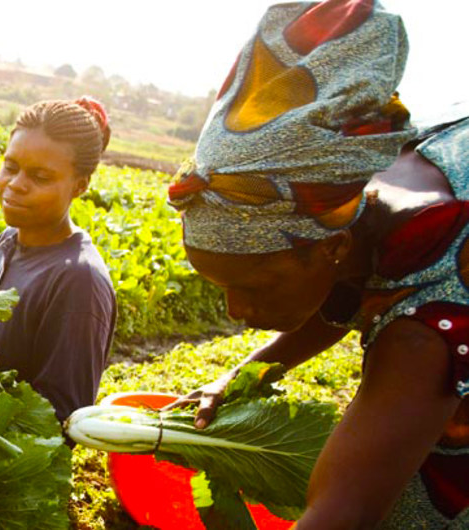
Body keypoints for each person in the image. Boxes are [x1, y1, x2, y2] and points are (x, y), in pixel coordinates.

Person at [166, 0, 469, 526]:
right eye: (224, 289)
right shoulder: (347, 205)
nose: (237, 310)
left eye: (256, 287)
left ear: (331, 250)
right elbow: (347, 290)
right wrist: (250, 370)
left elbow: (343, 510)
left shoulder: (425, 324)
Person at [0, 98, 117, 421]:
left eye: (40, 177)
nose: (15, 185)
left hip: (3, 468)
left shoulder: (79, 280)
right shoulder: (7, 242)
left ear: (80, 186)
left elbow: (59, 419)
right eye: (10, 167)